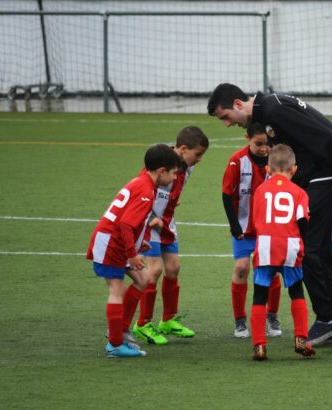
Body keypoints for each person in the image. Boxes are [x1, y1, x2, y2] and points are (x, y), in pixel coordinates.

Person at [208, 83, 332, 347]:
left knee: (309, 248)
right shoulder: (268, 110)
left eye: (225, 117)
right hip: (324, 171)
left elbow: (328, 138)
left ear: (237, 104)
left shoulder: (275, 112)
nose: (227, 124)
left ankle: (327, 318)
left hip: (330, 171)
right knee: (321, 249)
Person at [86, 144, 180, 358]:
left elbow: (130, 221)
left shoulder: (143, 183)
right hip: (112, 243)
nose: (175, 178)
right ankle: (115, 345)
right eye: (174, 173)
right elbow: (126, 225)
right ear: (162, 171)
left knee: (143, 278)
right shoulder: (146, 191)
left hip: (118, 241)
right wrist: (132, 253)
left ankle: (121, 331)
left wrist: (140, 243)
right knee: (116, 291)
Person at [132, 127, 209, 345]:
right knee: (154, 270)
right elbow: (143, 188)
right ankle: (143, 324)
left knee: (173, 268)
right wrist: (151, 216)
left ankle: (168, 320)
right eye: (198, 154)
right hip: (151, 222)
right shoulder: (161, 161)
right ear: (183, 149)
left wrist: (171, 203)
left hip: (168, 222)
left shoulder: (187, 167)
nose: (200, 159)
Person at [249, 144, 315, 360]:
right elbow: (302, 220)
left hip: (266, 245)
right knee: (296, 291)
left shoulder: (260, 190)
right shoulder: (299, 192)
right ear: (294, 170)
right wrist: (303, 243)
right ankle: (301, 339)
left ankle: (259, 345)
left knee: (260, 295)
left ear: (267, 169)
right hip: (290, 246)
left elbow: (257, 221)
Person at [221, 122, 283, 338]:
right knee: (241, 268)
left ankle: (272, 316)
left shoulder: (275, 161)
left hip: (269, 227)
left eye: (267, 144)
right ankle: (240, 321)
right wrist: (234, 224)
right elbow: (227, 194)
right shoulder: (237, 161)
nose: (264, 148)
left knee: (271, 270)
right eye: (259, 144)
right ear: (247, 138)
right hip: (243, 228)